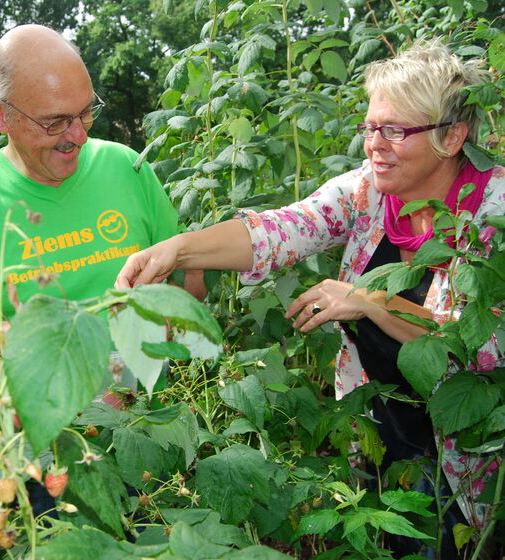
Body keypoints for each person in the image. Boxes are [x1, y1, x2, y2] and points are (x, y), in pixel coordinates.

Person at [116, 39, 504, 557]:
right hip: (379, 429)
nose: (374, 145)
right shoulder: (372, 190)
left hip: (468, 456)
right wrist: (179, 250)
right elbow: (287, 228)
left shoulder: (493, 214)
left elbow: (482, 347)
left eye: (394, 130)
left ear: (452, 136)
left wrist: (370, 300)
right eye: (370, 127)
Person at [0, 24, 203, 363]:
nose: (79, 136)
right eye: (55, 122)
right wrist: (26, 334)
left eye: (86, 112)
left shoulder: (125, 167)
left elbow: (190, 289)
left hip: (151, 405)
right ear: (0, 115)